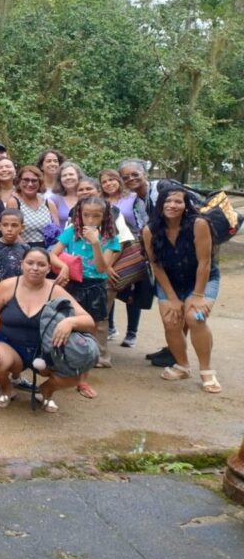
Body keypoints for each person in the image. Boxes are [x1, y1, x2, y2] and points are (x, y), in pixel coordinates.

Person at [0, 247, 95, 412]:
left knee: (76, 375)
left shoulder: (56, 291)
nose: (35, 268)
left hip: (44, 351)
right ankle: (6, 387)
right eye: (30, 263)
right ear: (22, 264)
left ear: (48, 268)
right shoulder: (7, 286)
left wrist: (70, 322)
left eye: (41, 264)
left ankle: (46, 391)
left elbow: (88, 320)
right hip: (10, 346)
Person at [142, 187, 221, 393]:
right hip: (170, 281)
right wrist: (172, 297)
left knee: (196, 318)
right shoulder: (150, 230)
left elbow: (205, 263)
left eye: (178, 201)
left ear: (186, 205)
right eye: (167, 201)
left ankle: (207, 371)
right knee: (171, 321)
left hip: (202, 280)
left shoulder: (199, 224)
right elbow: (156, 265)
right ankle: (182, 366)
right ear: (160, 205)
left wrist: (197, 295)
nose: (172, 205)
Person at [50, 196, 121, 398]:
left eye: (96, 216)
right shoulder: (72, 232)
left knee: (90, 331)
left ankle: (83, 381)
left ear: (104, 217)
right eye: (86, 214)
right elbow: (53, 254)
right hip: (72, 285)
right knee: (62, 325)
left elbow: (101, 268)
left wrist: (96, 243)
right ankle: (60, 370)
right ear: (79, 214)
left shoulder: (111, 239)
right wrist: (63, 267)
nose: (90, 219)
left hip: (95, 287)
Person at [100, 167, 142, 347]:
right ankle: (109, 327)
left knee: (132, 291)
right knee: (110, 284)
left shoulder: (132, 198)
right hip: (110, 247)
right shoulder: (100, 202)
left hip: (132, 247)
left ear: (119, 180)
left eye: (112, 179)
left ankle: (132, 332)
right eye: (104, 181)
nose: (109, 184)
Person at [7, 165, 60, 248]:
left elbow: (57, 229)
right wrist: (28, 251)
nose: (30, 184)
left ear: (40, 183)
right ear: (19, 181)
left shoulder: (48, 203)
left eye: (34, 181)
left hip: (47, 251)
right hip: (22, 250)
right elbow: (11, 231)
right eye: (26, 180)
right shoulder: (14, 202)